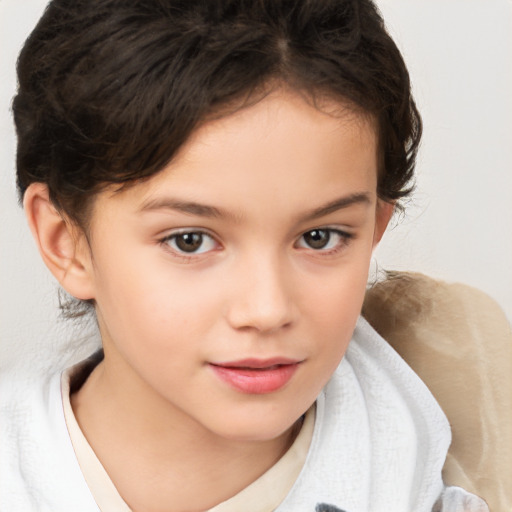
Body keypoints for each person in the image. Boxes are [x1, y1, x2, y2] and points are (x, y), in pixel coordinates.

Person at [0, 1, 491, 510]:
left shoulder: (430, 455)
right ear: (67, 242)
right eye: (190, 240)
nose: (267, 309)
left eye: (320, 237)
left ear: (374, 231)